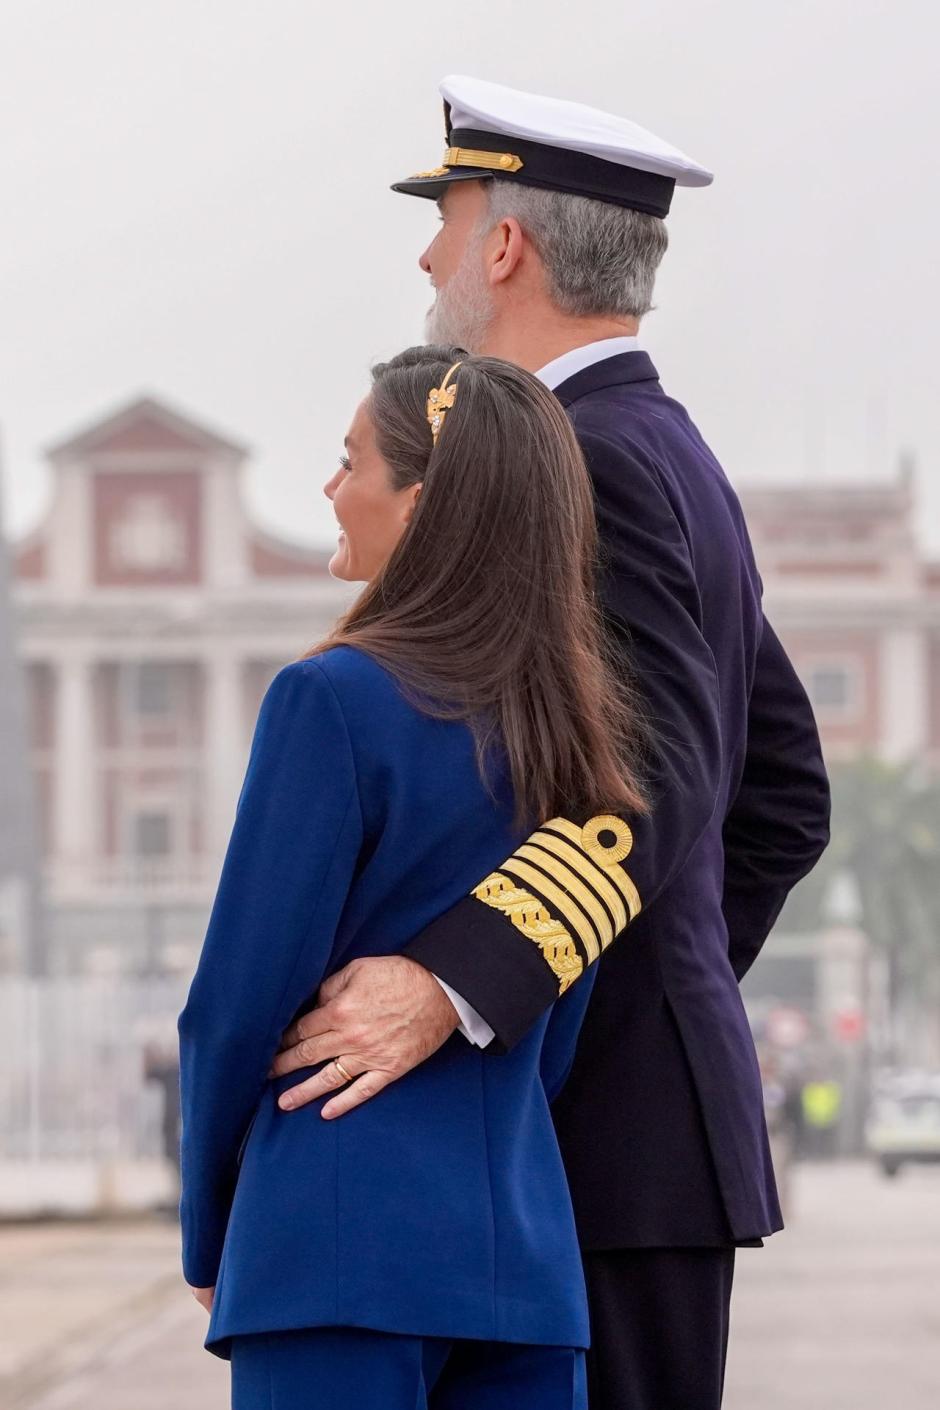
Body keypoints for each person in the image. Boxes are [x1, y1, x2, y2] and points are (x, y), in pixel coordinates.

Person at [270, 77, 832, 1409]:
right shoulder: (667, 446)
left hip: (601, 1142)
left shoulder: (588, 460)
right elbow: (786, 795)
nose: (426, 258)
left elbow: (668, 774)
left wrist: (461, 984)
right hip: (640, 1131)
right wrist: (665, 985)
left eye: (447, 220)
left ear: (506, 247)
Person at [177, 346, 651, 1409]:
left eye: (352, 462)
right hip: (521, 1259)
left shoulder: (331, 698)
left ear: (422, 504)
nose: (332, 489)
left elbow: (237, 999)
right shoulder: (574, 734)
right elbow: (553, 1011)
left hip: (332, 1247)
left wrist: (213, 1226)